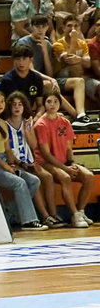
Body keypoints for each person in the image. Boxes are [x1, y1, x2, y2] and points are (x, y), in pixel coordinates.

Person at [0, 92, 48, 231]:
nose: (0, 104)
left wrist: (21, 164)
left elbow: (8, 150)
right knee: (19, 183)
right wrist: (5, 166)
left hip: (4, 160)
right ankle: (28, 221)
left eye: (2, 101)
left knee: (34, 181)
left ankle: (10, 213)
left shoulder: (3, 122)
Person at [33, 91, 96, 228]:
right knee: (65, 177)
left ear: (60, 104)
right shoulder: (41, 124)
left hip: (63, 162)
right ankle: (74, 214)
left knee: (89, 176)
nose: (52, 105)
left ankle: (80, 211)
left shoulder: (65, 122)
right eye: (49, 101)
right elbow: (46, 154)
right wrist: (65, 168)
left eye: (55, 102)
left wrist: (71, 163)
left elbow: (68, 148)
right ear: (44, 103)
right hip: (46, 162)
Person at [3, 91, 63, 228]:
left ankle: (53, 214)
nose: (17, 107)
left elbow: (34, 145)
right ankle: (44, 216)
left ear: (25, 106)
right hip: (15, 162)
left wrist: (27, 130)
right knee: (33, 179)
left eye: (20, 104)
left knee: (47, 177)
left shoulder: (27, 123)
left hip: (29, 161)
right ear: (9, 107)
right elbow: (6, 150)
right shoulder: (4, 124)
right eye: (14, 105)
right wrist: (22, 165)